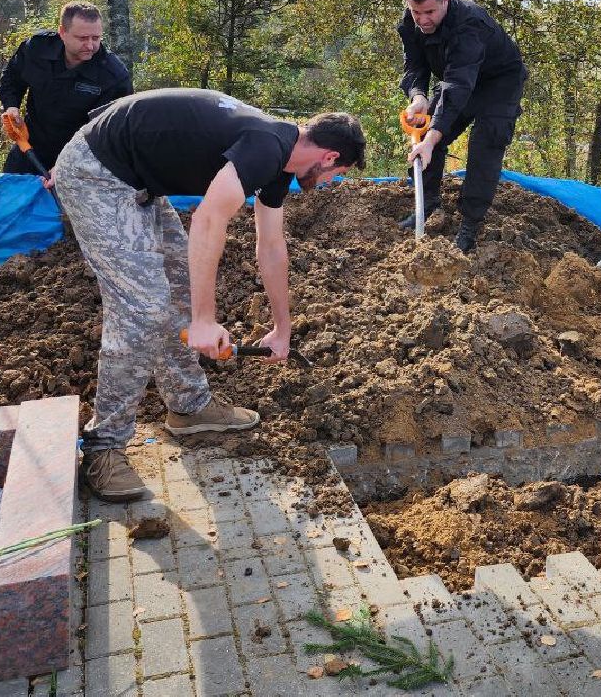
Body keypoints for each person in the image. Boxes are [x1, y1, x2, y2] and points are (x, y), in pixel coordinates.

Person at [52, 89, 367, 501]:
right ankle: (103, 447)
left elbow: (271, 248)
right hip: (96, 173)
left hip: (137, 179)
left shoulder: (279, 162)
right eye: (336, 174)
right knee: (143, 308)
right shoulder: (265, 146)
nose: (330, 181)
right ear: (329, 158)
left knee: (180, 290)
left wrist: (282, 329)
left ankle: (189, 406)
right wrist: (203, 320)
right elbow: (208, 219)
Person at [397, 0, 527, 253]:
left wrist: (432, 137)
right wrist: (418, 96)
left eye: (429, 11)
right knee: (428, 133)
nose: (423, 20)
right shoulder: (410, 23)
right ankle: (428, 201)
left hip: (498, 83)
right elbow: (414, 66)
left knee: (485, 143)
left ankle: (470, 223)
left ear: (445, 0)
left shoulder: (470, 23)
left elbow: (457, 87)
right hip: (457, 80)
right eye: (416, 12)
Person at [0, 1, 132, 175]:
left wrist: (69, 164)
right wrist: (12, 106)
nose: (90, 46)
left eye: (96, 38)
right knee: (8, 196)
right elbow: (10, 79)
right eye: (83, 38)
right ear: (62, 32)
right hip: (30, 147)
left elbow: (110, 133)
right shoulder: (37, 48)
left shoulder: (114, 75)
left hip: (83, 158)